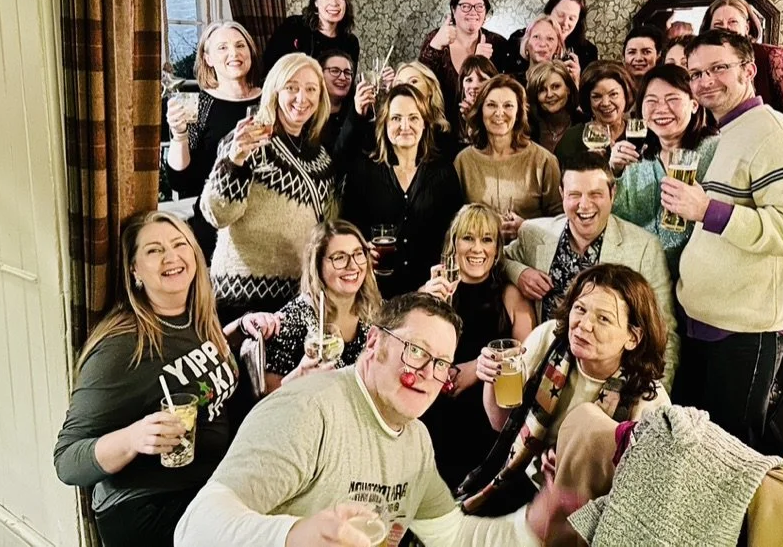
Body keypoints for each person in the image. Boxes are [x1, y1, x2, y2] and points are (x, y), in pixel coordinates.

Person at [173, 293, 582, 547]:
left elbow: (452, 536)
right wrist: (295, 536)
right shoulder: (307, 410)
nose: (426, 373)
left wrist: (532, 525)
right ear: (373, 342)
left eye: (441, 363)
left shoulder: (415, 440)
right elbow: (195, 528)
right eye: (415, 350)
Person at [54, 211, 279, 547]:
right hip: (149, 505)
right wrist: (134, 437)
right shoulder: (121, 347)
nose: (171, 257)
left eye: (179, 244)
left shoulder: (199, 316)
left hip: (210, 485)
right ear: (135, 270)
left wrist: (237, 331)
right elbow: (67, 461)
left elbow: (192, 364)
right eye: (154, 250)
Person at [663, 28, 783, 448]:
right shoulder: (722, 134)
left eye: (718, 68)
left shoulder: (778, 136)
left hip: (745, 332)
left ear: (748, 70)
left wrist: (707, 210)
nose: (705, 81)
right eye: (696, 74)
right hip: (702, 324)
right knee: (695, 449)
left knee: (732, 453)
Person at [457, 264, 670, 516]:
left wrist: (575, 472)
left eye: (603, 318)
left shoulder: (648, 400)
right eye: (580, 309)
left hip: (587, 512)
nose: (584, 325)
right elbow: (500, 423)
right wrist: (491, 378)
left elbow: (644, 496)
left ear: (633, 337)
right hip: (521, 476)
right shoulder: (550, 339)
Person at [500, 154, 677, 385]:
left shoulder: (644, 247)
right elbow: (498, 259)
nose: (584, 205)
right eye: (575, 195)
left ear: (612, 194)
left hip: (611, 382)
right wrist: (519, 273)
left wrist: (655, 396)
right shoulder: (534, 233)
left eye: (595, 194)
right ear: (562, 194)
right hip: (545, 374)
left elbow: (664, 331)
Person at [200, 53, 336, 323]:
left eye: (311, 89)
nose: (302, 98)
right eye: (291, 87)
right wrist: (235, 160)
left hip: (297, 296)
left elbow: (325, 226)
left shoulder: (321, 157)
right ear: (275, 90)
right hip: (242, 297)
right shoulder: (247, 140)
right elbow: (217, 214)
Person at [419, 204, 535, 489]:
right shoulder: (435, 291)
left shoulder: (511, 296)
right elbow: (410, 353)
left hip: (489, 417)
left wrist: (475, 370)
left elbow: (526, 359)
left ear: (497, 249)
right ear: (454, 244)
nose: (477, 248)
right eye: (468, 238)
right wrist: (424, 303)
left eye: (487, 239)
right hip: (436, 410)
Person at [341, 83, 464, 298]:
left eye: (413, 118)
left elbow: (455, 233)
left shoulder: (443, 172)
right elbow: (347, 229)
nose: (405, 126)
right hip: (374, 292)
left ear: (424, 123)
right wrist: (362, 248)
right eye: (396, 118)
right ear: (384, 124)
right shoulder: (364, 171)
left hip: (429, 292)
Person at [165, 21, 263, 260]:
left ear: (250, 52)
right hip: (215, 231)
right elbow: (180, 181)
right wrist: (179, 135)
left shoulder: (271, 98)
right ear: (207, 58)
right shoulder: (198, 105)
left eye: (240, 45)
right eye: (222, 47)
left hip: (265, 224)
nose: (234, 53)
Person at [612, 64, 718, 280]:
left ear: (694, 105)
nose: (661, 109)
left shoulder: (715, 150)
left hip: (702, 279)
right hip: (646, 279)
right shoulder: (637, 158)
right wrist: (614, 174)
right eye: (651, 101)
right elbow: (620, 223)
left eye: (672, 99)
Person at [264, 220, 381, 390]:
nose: (352, 265)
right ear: (318, 265)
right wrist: (298, 378)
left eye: (358, 254)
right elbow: (268, 394)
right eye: (339, 257)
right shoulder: (294, 317)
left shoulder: (375, 309)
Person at [453, 74, 562, 241]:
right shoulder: (463, 161)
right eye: (491, 105)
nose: (499, 113)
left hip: (530, 252)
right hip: (479, 253)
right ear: (481, 110)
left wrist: (525, 228)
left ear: (519, 112)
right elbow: (453, 221)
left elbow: (560, 222)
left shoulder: (543, 160)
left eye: (508, 106)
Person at [700, 0, 783, 134]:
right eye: (718, 24)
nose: (725, 28)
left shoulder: (772, 57)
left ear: (747, 28)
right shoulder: (701, 65)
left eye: (733, 22)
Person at [418, 0, 510, 119]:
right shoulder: (436, 37)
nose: (473, 12)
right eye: (465, 6)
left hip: (484, 123)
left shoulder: (497, 42)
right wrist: (435, 45)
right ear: (453, 10)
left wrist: (479, 64)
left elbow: (507, 90)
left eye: (479, 6)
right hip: (441, 123)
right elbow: (420, 83)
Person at [554, 61, 639, 177]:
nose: (606, 103)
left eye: (613, 94)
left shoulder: (639, 135)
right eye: (596, 97)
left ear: (626, 95)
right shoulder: (572, 140)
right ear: (588, 100)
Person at [262, 0, 359, 74]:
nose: (334, 3)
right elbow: (270, 69)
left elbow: (348, 81)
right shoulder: (293, 27)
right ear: (315, 2)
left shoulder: (351, 43)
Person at [508, 0, 598, 74]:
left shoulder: (587, 51)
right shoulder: (519, 38)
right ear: (549, 12)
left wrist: (576, 80)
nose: (565, 23)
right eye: (560, 15)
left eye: (571, 19)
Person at [392, 60, 459, 160]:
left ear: (430, 89)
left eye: (413, 81)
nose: (406, 88)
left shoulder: (444, 137)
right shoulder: (389, 132)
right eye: (400, 84)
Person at [526, 61, 583, 153]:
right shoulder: (526, 128)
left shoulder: (585, 124)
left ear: (568, 89)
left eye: (556, 86)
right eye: (542, 90)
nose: (549, 94)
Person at [510, 15, 578, 87]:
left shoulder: (563, 84)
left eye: (550, 39)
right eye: (536, 37)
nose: (542, 44)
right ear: (526, 44)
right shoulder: (511, 82)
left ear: (557, 48)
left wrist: (574, 83)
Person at [456, 55, 499, 144]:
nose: (474, 85)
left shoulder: (500, 115)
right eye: (469, 80)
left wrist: (474, 122)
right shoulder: (453, 115)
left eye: (482, 79)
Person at [318, 49, 355, 152]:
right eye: (335, 71)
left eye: (347, 73)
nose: (343, 77)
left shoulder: (356, 111)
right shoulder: (307, 113)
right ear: (320, 74)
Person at [621, 24, 662, 94]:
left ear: (658, 55)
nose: (638, 58)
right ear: (623, 56)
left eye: (646, 52)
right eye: (631, 52)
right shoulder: (617, 89)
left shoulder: (666, 88)